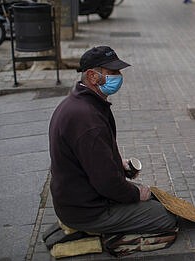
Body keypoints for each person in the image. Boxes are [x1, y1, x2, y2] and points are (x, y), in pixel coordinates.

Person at [48, 46, 178, 234]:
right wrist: (135, 194)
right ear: (93, 76)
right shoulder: (88, 119)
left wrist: (119, 163)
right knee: (166, 217)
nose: (119, 76)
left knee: (153, 198)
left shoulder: (80, 102)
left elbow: (94, 159)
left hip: (78, 199)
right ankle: (102, 235)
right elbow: (107, 182)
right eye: (112, 72)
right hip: (87, 211)